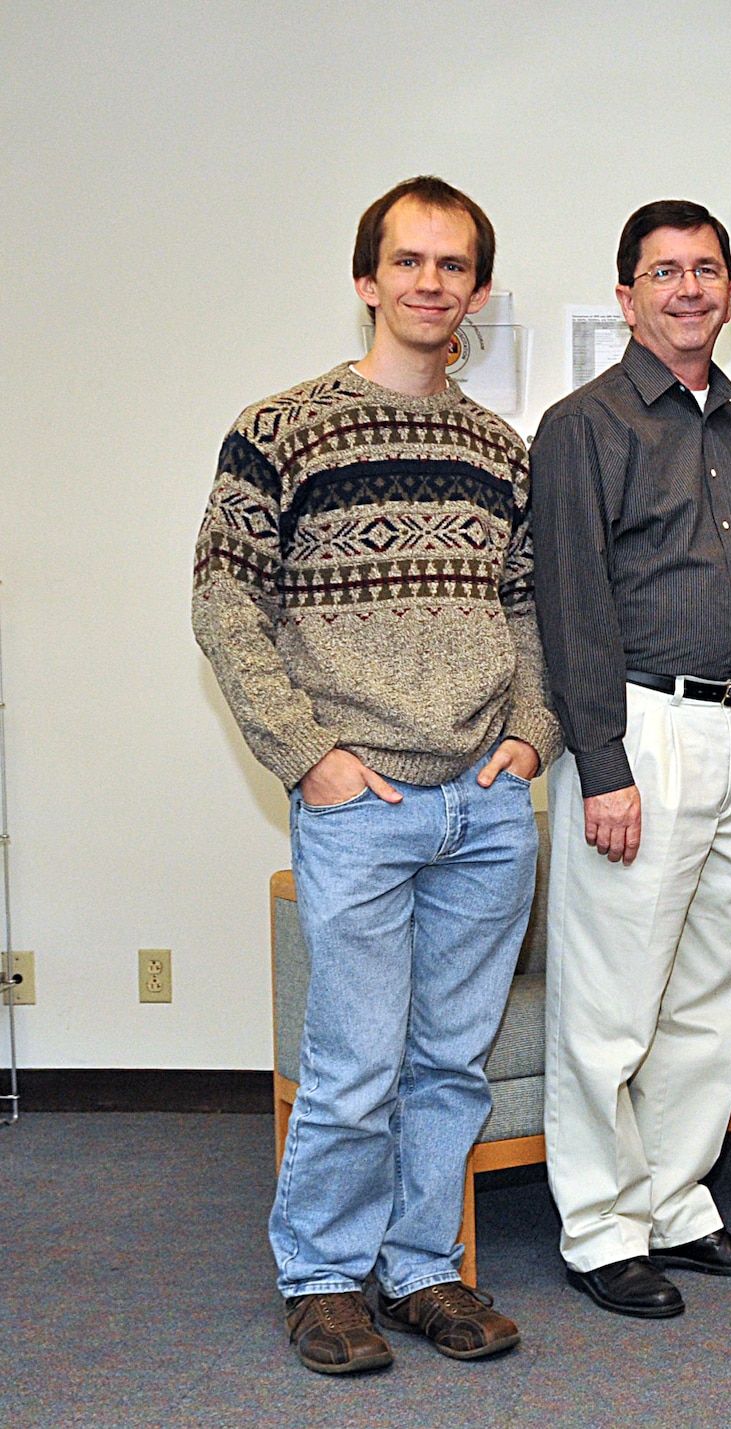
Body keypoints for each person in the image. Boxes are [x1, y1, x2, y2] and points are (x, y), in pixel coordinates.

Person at [193, 176, 560, 1374]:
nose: (430, 283)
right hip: (363, 802)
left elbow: (527, 608)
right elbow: (224, 603)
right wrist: (311, 758)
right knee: (353, 1062)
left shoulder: (497, 448)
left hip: (486, 804)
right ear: (366, 280)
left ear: (477, 292)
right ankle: (320, 1278)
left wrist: (531, 738)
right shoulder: (279, 427)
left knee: (451, 1060)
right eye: (408, 261)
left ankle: (419, 1269)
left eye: (453, 266)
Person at [529, 201, 731, 1319]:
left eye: (707, 269)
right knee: (609, 1004)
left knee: (707, 993)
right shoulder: (583, 425)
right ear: (627, 295)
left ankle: (677, 1202)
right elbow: (571, 604)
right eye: (663, 273)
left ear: (728, 288)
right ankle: (597, 1226)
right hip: (641, 729)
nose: (690, 289)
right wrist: (603, 765)